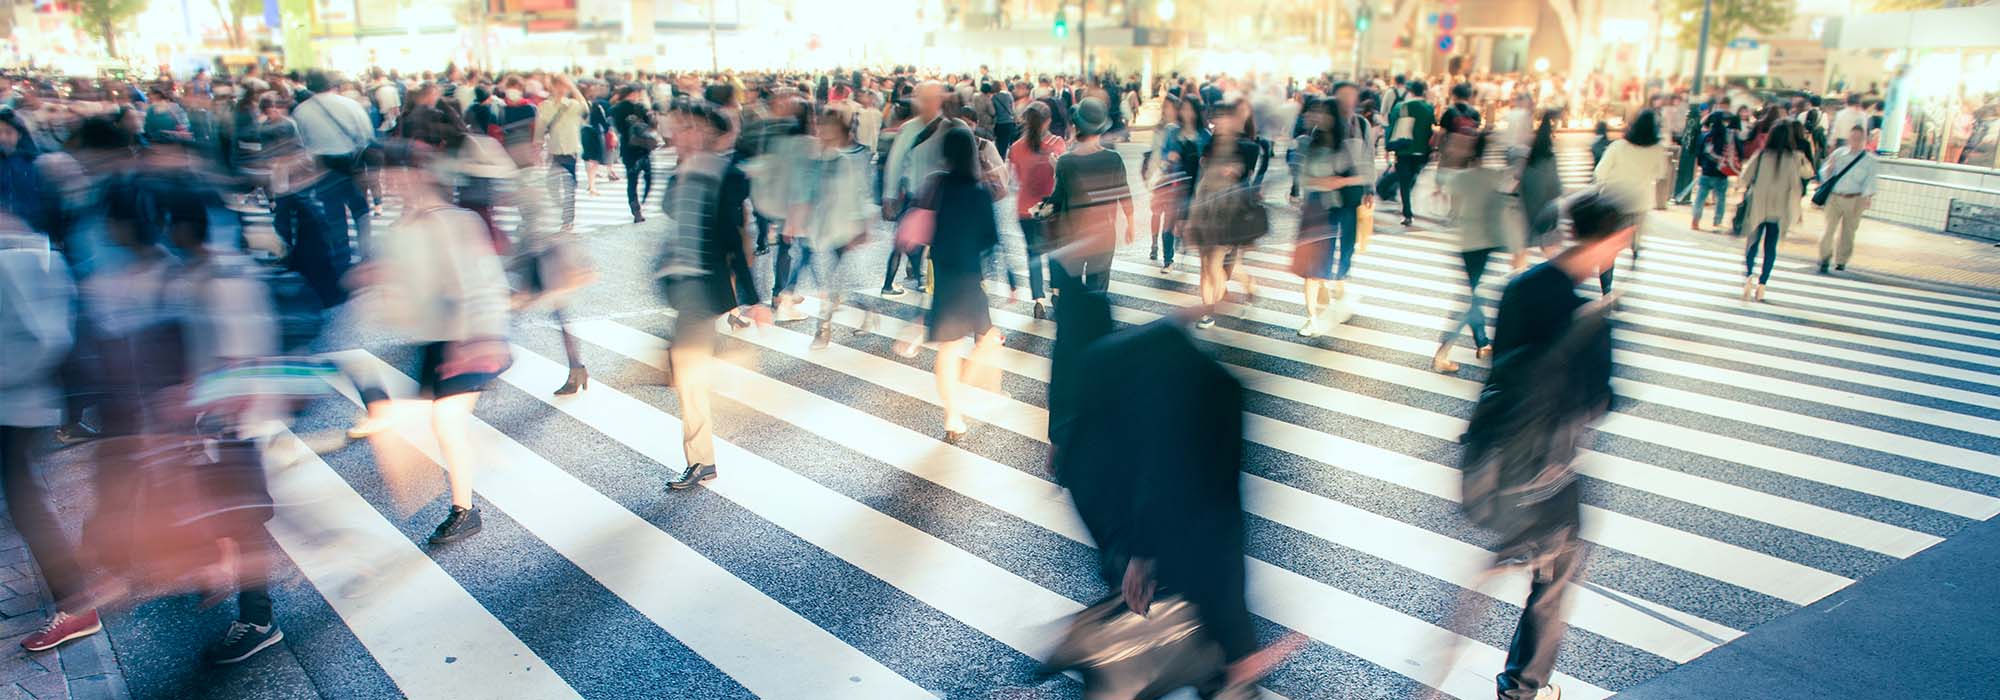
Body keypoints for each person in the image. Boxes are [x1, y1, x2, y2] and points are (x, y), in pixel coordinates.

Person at [1472, 187, 1631, 700]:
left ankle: (1523, 679)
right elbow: (1598, 400)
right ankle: (1523, 687)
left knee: (1532, 560)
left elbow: (1501, 366)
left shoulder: (1522, 287)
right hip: (1549, 470)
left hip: (1496, 455)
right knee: (1556, 575)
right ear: (1612, 240)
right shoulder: (1587, 318)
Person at [1, 219, 102, 654]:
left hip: (17, 405)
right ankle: (76, 598)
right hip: (18, 401)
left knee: (28, 503)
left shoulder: (15, 260)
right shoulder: (25, 252)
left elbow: (46, 340)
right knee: (25, 501)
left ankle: (76, 601)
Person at [659, 101, 767, 491]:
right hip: (684, 285)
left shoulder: (726, 174)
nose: (676, 135)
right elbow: (672, 211)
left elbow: (733, 239)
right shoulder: (684, 173)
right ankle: (701, 457)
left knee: (687, 372)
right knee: (684, 369)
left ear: (705, 133)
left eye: (686, 128)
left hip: (703, 287)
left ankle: (701, 460)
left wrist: (753, 298)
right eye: (676, 129)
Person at [900, 126, 1003, 442]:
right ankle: (973, 385)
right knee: (988, 338)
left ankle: (952, 415)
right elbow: (991, 240)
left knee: (948, 349)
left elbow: (917, 230)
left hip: (944, 276)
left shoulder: (936, 186)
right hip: (971, 278)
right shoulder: (979, 192)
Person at [790, 107, 874, 348]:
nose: (825, 132)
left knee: (832, 284)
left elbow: (857, 197)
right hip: (815, 231)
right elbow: (803, 194)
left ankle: (823, 329)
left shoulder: (844, 161)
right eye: (822, 127)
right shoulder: (812, 162)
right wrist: (795, 221)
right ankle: (867, 311)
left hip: (840, 231)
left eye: (831, 128)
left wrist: (860, 228)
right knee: (832, 284)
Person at [1292, 88, 1371, 338]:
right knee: (1311, 271)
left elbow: (1367, 172)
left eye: (1324, 113)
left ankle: (1338, 290)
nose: (1318, 116)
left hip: (1337, 207)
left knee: (1334, 261)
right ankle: (1312, 317)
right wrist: (1321, 180)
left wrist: (1341, 182)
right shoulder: (1306, 143)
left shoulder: (1349, 143)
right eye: (1315, 111)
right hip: (1315, 209)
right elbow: (1301, 175)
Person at [1433, 131, 1506, 373]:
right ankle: (1443, 353)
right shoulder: (1493, 177)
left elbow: (1454, 211)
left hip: (1467, 244)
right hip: (1485, 244)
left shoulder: (1462, 178)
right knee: (1472, 300)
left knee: (1475, 296)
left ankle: (1482, 342)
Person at [1045, 98, 1134, 296]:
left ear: (1076, 127)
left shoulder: (1066, 162)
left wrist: (1055, 170)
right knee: (1098, 288)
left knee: (1072, 289)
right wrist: (1131, 223)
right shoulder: (1113, 158)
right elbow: (1124, 193)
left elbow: (1057, 199)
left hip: (1073, 235)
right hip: (1104, 234)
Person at [292, 70, 376, 258]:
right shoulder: (350, 105)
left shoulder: (301, 111)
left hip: (322, 167)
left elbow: (301, 143)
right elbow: (366, 136)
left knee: (334, 213)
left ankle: (342, 253)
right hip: (350, 164)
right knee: (360, 210)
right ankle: (366, 252)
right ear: (332, 85)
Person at [880, 81, 951, 296]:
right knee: (907, 239)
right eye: (922, 99)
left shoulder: (949, 127)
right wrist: (889, 196)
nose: (925, 104)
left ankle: (925, 280)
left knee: (919, 240)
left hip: (937, 196)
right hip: (918, 196)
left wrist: (890, 196)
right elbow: (895, 162)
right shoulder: (915, 128)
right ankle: (904, 282)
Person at [1589, 109, 1667, 292]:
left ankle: (1606, 288)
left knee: (1609, 249)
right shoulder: (1657, 150)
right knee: (1634, 232)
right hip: (1639, 202)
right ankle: (1635, 247)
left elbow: (1599, 173)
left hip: (1614, 202)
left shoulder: (1618, 146)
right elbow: (1660, 173)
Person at [1738, 121, 1814, 302]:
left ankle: (1749, 277)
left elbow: (1745, 177)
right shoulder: (1795, 158)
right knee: (1770, 246)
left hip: (1758, 206)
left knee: (1752, 244)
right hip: (1779, 209)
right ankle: (1762, 285)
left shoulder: (1762, 155)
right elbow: (1808, 173)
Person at [1008, 102, 1065, 320]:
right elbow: (1062, 176)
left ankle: (1038, 300)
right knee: (1055, 252)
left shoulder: (1015, 147)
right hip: (1050, 207)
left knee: (1033, 254)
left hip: (1025, 208)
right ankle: (1056, 293)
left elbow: (1017, 179)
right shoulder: (1057, 144)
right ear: (1048, 121)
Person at [1817, 125, 1878, 274]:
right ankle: (1824, 258)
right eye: (1853, 138)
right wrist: (1828, 170)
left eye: (1859, 139)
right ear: (1849, 138)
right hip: (1835, 196)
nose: (1855, 141)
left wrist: (1867, 197)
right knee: (1828, 229)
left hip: (1855, 198)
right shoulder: (1839, 154)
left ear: (1865, 140)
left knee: (1849, 231)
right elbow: (1824, 174)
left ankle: (1841, 260)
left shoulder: (1870, 160)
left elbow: (1870, 181)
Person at [534, 75, 587, 233]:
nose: (560, 89)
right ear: (552, 86)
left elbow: (585, 109)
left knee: (569, 187)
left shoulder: (573, 105)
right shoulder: (545, 105)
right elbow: (540, 128)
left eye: (563, 86)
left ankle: (567, 221)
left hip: (570, 150)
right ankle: (563, 209)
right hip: (554, 150)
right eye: (558, 85)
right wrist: (537, 147)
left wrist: (573, 88)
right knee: (551, 185)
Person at [1384, 80, 1435, 226]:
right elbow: (1431, 128)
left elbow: (1392, 127)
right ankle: (1406, 203)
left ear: (1410, 91)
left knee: (1404, 182)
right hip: (1422, 151)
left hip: (1404, 149)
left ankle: (1407, 213)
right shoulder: (1429, 108)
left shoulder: (1401, 107)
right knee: (1412, 178)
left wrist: (1389, 148)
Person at [610, 84, 656, 223]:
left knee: (632, 181)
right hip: (643, 147)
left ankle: (636, 210)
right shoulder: (640, 107)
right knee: (648, 177)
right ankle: (642, 202)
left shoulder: (615, 109)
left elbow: (617, 126)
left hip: (628, 148)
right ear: (634, 93)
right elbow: (652, 124)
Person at [1690, 113, 1735, 232]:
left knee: (1700, 197)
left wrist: (1702, 165)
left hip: (1706, 171)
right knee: (1721, 198)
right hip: (1722, 172)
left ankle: (1695, 220)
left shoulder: (1707, 136)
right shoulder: (1728, 137)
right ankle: (1717, 221)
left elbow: (1699, 152)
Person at [581, 81, 617, 197]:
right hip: (594, 132)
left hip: (583, 131)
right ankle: (592, 186)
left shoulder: (581, 104)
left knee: (588, 158)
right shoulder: (596, 104)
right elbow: (603, 120)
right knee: (593, 160)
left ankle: (591, 184)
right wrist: (610, 131)